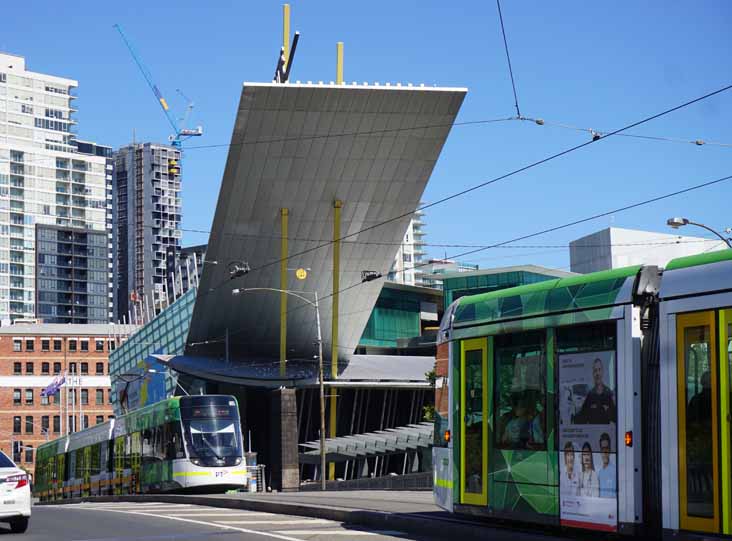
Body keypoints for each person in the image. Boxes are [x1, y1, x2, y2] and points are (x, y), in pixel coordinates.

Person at [576, 357, 616, 424]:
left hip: (605, 433)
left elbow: (615, 418)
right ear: (593, 374)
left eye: (599, 370)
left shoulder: (608, 393)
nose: (597, 373)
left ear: (602, 371)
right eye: (595, 370)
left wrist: (607, 410)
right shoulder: (590, 395)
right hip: (592, 433)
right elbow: (581, 419)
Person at [597, 433, 616, 498]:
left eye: (607, 448)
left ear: (610, 450)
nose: (605, 452)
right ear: (600, 451)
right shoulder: (599, 472)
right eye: (603, 449)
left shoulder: (615, 471)